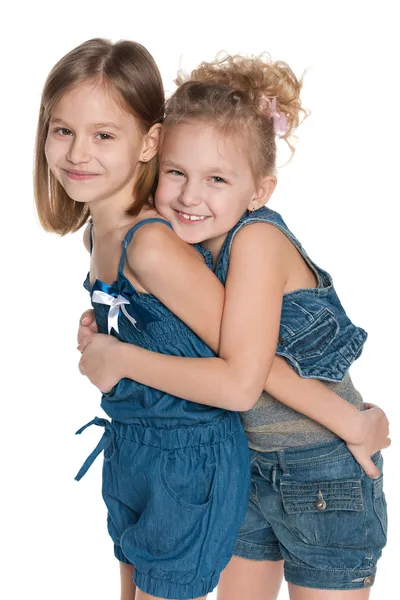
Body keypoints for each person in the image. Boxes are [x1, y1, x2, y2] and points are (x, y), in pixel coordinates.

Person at [78, 53, 389, 599]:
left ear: (259, 191)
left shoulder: (256, 241)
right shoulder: (184, 246)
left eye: (217, 178)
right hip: (244, 469)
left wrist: (352, 422)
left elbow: (248, 371)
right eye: (176, 172)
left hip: (320, 471)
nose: (191, 195)